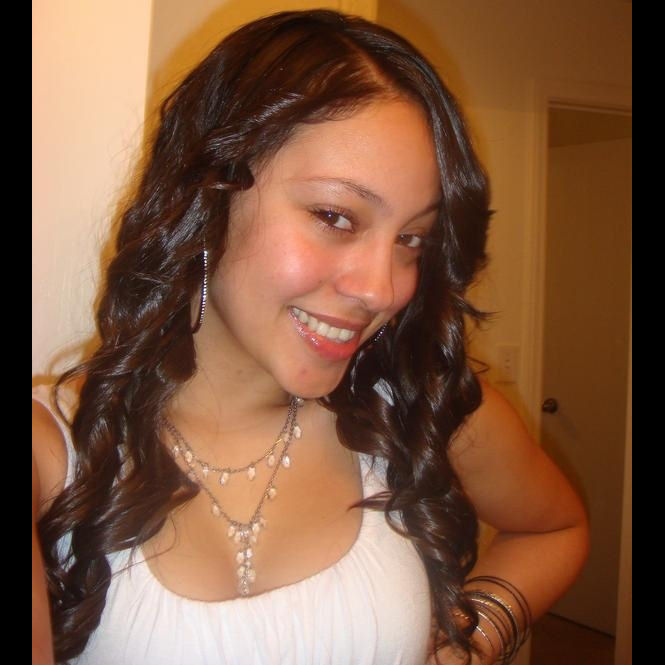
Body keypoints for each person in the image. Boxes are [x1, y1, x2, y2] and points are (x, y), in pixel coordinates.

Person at [32, 9, 589, 665]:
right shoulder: (55, 452)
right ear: (207, 195)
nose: (382, 289)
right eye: (335, 216)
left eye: (412, 239)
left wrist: (468, 643)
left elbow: (555, 527)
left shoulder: (416, 409)